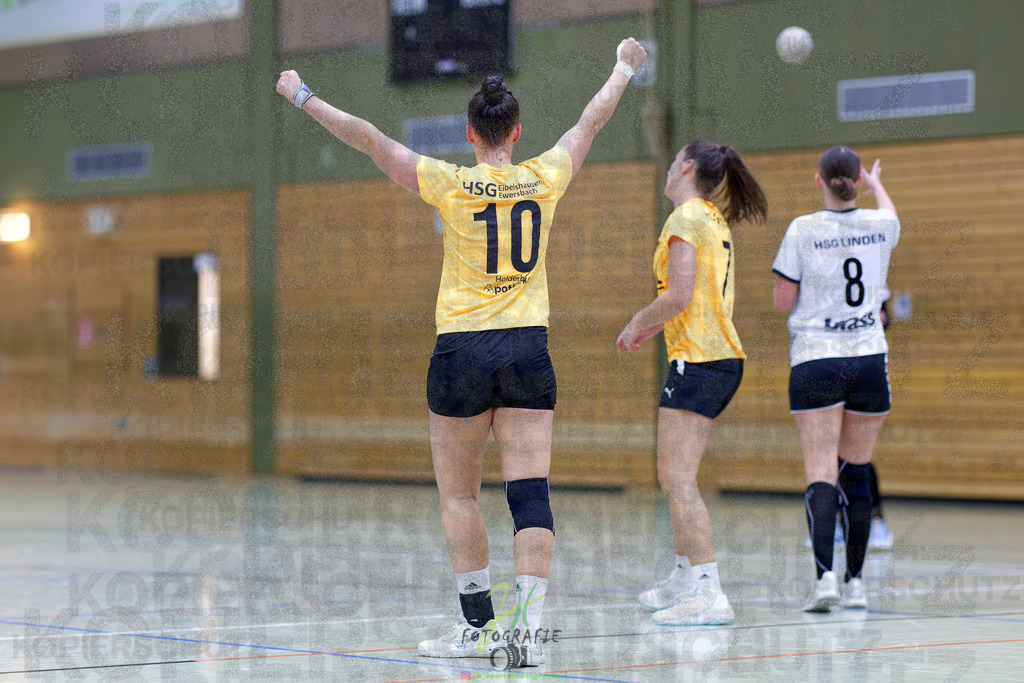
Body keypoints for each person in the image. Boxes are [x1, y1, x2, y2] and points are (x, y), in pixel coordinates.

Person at [276, 39, 648, 665]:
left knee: (460, 497)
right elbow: (590, 121)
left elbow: (370, 139)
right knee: (531, 495)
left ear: (470, 134)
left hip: (462, 353)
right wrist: (622, 67)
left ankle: (478, 628)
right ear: (517, 131)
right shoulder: (544, 176)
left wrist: (302, 95)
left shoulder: (449, 182)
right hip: (529, 348)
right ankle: (525, 631)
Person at [617, 141, 767, 625]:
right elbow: (694, 295)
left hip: (700, 361)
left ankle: (708, 592)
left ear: (685, 167)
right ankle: (685, 576)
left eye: (672, 160)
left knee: (679, 481)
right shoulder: (711, 218)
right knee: (674, 478)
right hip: (716, 357)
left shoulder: (684, 219)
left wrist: (638, 321)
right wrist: (658, 326)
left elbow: (679, 294)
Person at [771, 145, 899, 612]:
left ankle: (824, 579)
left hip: (817, 360)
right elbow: (888, 210)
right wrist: (877, 181)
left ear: (818, 180)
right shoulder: (882, 226)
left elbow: (784, 301)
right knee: (857, 474)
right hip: (868, 359)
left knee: (821, 472)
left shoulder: (802, 229)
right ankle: (858, 585)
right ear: (858, 182)